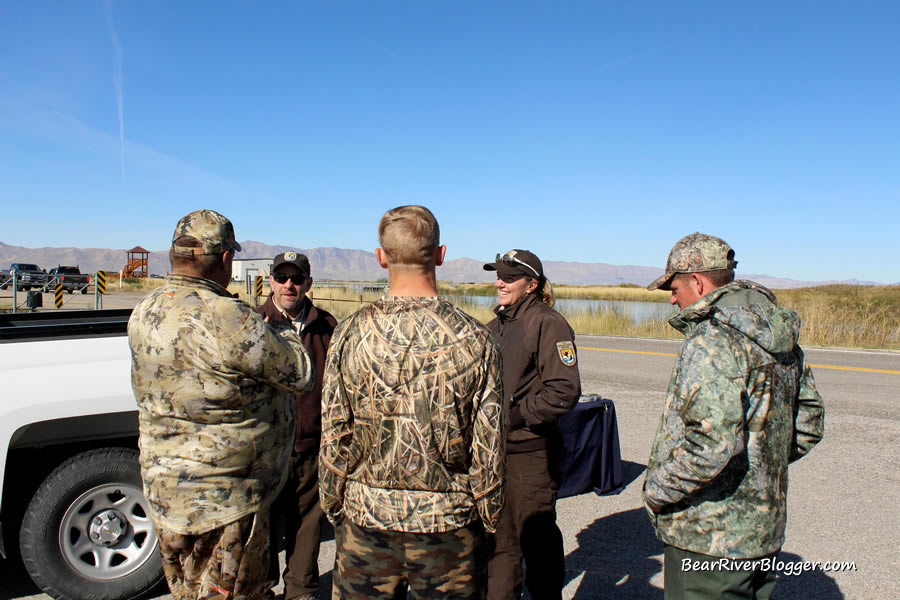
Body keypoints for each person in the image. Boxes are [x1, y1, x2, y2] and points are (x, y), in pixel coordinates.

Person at [319, 205, 505, 600]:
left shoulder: (350, 332)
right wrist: (489, 517)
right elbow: (488, 447)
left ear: (381, 257)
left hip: (365, 522)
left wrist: (334, 501)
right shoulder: (476, 338)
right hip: (450, 529)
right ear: (439, 254)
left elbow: (335, 432)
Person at [128, 209, 314, 600]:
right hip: (225, 501)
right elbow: (298, 372)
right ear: (227, 259)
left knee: (187, 591)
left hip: (166, 493)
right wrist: (280, 329)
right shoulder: (227, 316)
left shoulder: (145, 309)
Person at [642, 232, 825, 599]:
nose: (673, 298)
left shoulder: (712, 339)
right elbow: (808, 425)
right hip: (764, 535)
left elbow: (711, 446)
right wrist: (761, 463)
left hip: (707, 541)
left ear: (697, 281)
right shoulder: (782, 338)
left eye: (674, 287)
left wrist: (656, 490)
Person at [483, 249, 582, 600]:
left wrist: (513, 416)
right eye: (498, 275)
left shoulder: (547, 322)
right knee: (499, 543)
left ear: (531, 284)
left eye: (509, 277)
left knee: (536, 542)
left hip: (530, 453)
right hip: (493, 454)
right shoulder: (494, 325)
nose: (500, 282)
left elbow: (564, 390)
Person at [257, 252, 337, 600]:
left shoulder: (328, 327)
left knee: (307, 526)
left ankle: (301, 590)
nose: (289, 284)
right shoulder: (253, 323)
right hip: (264, 453)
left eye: (297, 278)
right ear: (270, 279)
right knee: (261, 530)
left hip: (311, 448)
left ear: (309, 283)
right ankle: (261, 588)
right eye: (282, 276)